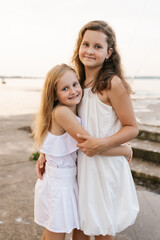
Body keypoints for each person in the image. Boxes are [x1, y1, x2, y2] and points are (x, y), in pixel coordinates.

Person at [34, 63, 132, 240]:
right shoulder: (62, 113)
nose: (73, 91)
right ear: (54, 95)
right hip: (59, 185)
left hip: (68, 181)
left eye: (74, 84)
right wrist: (123, 150)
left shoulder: (71, 110)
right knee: (55, 233)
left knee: (74, 229)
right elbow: (91, 146)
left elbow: (56, 142)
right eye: (64, 88)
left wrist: (43, 153)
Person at [71, 20, 139, 240]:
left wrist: (101, 144)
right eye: (86, 44)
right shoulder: (75, 83)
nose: (89, 51)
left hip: (104, 168)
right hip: (81, 165)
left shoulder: (112, 83)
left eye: (97, 47)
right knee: (79, 226)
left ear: (109, 52)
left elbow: (132, 128)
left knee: (101, 228)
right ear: (79, 47)